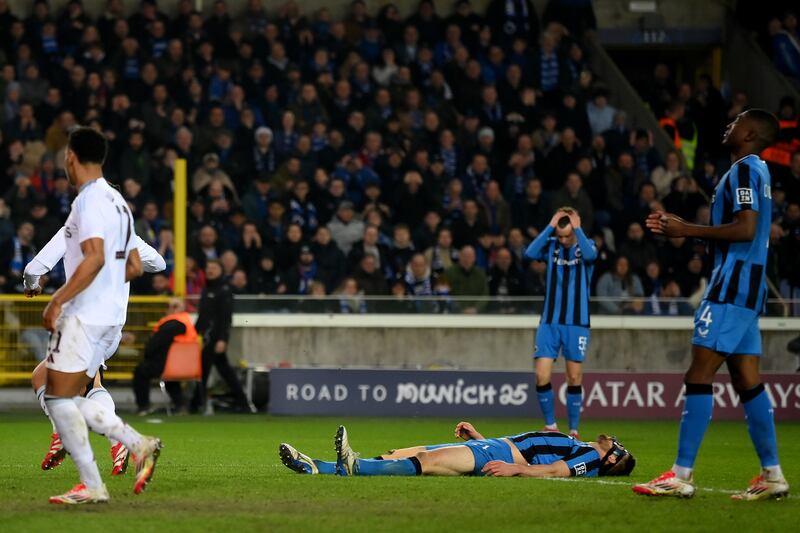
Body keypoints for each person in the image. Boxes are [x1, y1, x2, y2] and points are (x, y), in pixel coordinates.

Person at [635, 109, 789, 500]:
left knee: (699, 374)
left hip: (731, 289)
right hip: (747, 291)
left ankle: (681, 475)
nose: (728, 125)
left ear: (750, 133)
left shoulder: (743, 171)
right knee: (746, 381)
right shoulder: (758, 172)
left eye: (735, 121)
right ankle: (772, 475)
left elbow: (746, 228)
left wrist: (687, 229)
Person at [35, 127, 161, 505]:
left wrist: (57, 299)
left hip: (85, 316)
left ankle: (103, 473)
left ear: (71, 158)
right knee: (45, 380)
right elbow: (136, 264)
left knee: (59, 399)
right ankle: (134, 445)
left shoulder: (88, 201)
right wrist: (106, 285)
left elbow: (94, 257)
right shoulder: (119, 202)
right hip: (110, 317)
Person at [24, 225, 166, 475]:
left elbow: (34, 268)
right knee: (54, 378)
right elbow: (159, 264)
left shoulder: (75, 227)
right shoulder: (124, 233)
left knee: (71, 388)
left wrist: (32, 285)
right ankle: (123, 444)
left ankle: (80, 442)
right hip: (111, 329)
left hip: (85, 323)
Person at [279, 423, 635, 478]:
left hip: (502, 456)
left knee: (427, 461)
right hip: (493, 445)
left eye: (619, 447)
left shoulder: (589, 456)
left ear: (612, 458)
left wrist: (517, 470)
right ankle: (318, 467)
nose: (613, 440)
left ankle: (353, 465)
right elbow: (534, 446)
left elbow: (557, 470)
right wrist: (478, 436)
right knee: (403, 451)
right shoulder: (581, 445)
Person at [523, 207, 597, 438]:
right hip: (549, 323)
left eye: (568, 235)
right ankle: (550, 425)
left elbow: (591, 256)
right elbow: (529, 253)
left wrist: (578, 228)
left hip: (577, 323)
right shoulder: (552, 246)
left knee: (574, 377)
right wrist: (550, 225)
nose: (564, 240)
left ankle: (574, 429)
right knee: (541, 375)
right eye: (560, 235)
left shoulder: (586, 246)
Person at [191, 259, 253, 413]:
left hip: (214, 338)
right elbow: (203, 316)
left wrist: (222, 339)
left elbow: (225, 318)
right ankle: (243, 403)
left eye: (214, 268)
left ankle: (195, 405)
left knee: (204, 371)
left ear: (221, 271)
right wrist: (193, 333)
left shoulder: (224, 290)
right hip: (206, 338)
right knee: (224, 371)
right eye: (208, 268)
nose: (210, 270)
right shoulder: (206, 290)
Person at [133, 298, 198, 414]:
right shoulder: (186, 323)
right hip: (185, 365)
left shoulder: (173, 323)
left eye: (175, 306)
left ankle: (143, 407)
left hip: (169, 364)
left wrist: (147, 354)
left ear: (183, 308)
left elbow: (154, 344)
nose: (171, 309)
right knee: (170, 380)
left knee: (141, 371)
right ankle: (181, 404)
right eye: (169, 306)